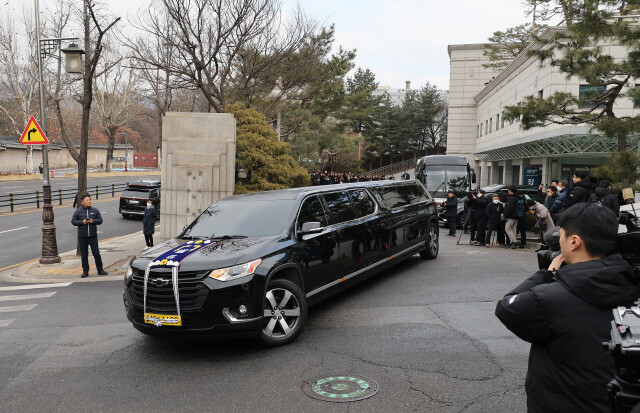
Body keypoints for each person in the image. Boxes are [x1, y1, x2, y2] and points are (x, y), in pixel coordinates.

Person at [495, 203, 639, 412]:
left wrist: (547, 273)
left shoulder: (550, 299)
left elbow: (507, 308)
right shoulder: (630, 285)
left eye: (560, 235)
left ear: (574, 241)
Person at [71, 194, 108, 278]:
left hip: (92, 236)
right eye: (87, 200)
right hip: (82, 236)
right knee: (84, 255)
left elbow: (100, 220)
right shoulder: (78, 211)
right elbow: (73, 221)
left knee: (96, 253)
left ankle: (100, 269)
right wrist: (82, 222)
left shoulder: (95, 210)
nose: (89, 201)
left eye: (90, 200)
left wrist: (93, 221)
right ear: (82, 202)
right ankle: (85, 271)